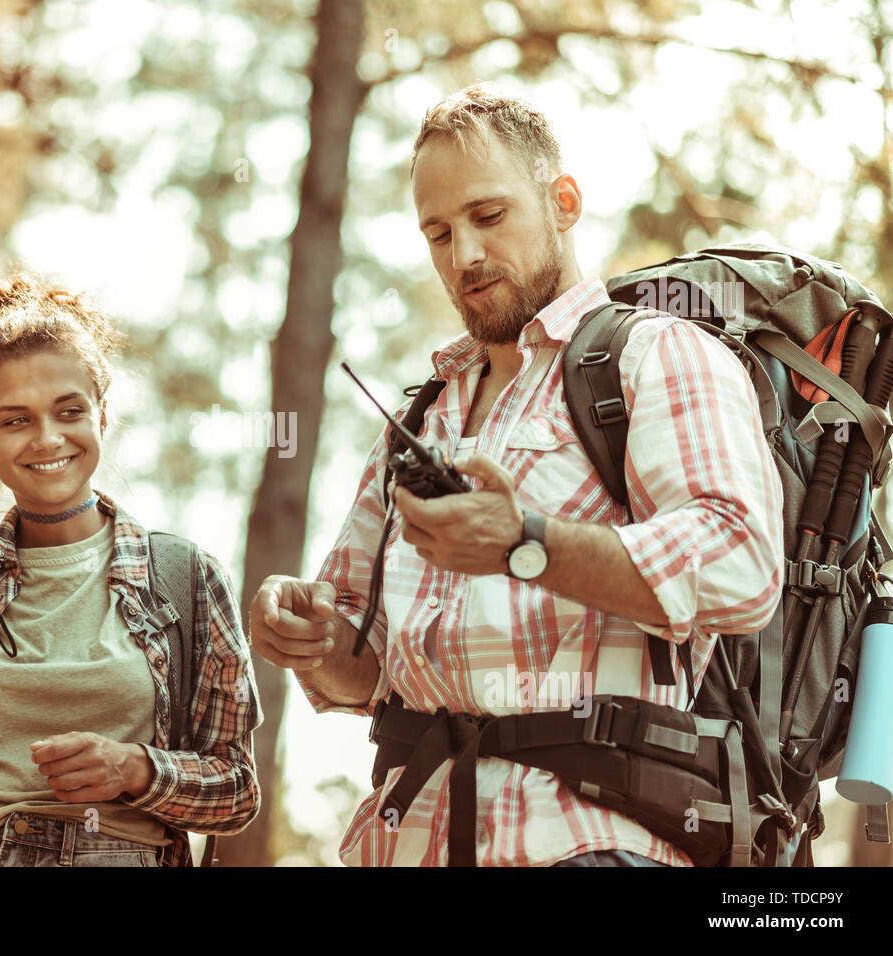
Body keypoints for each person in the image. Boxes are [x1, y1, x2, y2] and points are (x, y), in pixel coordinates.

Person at [249, 83, 784, 866]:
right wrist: (310, 633)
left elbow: (743, 564)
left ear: (563, 201)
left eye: (488, 216)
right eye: (438, 232)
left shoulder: (656, 356)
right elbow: (361, 667)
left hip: (586, 845)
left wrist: (526, 544)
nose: (463, 255)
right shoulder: (422, 416)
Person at [0, 272, 261, 866]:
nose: (47, 438)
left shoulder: (185, 579)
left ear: (102, 414)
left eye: (69, 410)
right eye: (15, 420)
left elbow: (236, 794)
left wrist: (137, 769)